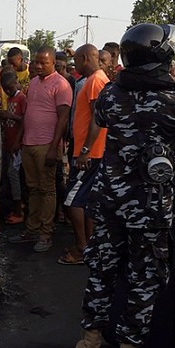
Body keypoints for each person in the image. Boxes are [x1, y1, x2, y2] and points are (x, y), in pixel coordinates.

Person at [74, 23, 175, 348]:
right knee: (144, 277)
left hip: (110, 199)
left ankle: (91, 346)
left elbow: (101, 119)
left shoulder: (112, 96)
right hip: (150, 206)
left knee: (102, 269)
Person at [8, 46, 72, 252]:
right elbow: (28, 114)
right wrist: (20, 139)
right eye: (36, 62)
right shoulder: (34, 83)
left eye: (43, 62)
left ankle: (46, 233)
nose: (38, 65)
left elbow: (63, 118)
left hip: (47, 146)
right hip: (29, 144)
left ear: (53, 63)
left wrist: (55, 147)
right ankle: (32, 229)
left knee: (47, 190)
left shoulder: (61, 85)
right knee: (33, 189)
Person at [60, 45, 108, 265]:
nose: (75, 65)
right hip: (88, 152)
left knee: (71, 201)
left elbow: (98, 120)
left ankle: (82, 248)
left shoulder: (96, 81)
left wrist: (86, 151)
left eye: (77, 60)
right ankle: (90, 247)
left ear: (85, 58)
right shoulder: (94, 80)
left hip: (90, 154)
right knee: (87, 202)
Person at [0, 71, 27, 225]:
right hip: (11, 143)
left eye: (9, 88)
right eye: (5, 89)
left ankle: (19, 211)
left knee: (13, 176)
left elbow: (24, 120)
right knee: (12, 178)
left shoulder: (21, 98)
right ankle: (18, 206)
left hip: (18, 144)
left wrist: (17, 141)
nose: (7, 91)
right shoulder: (10, 99)